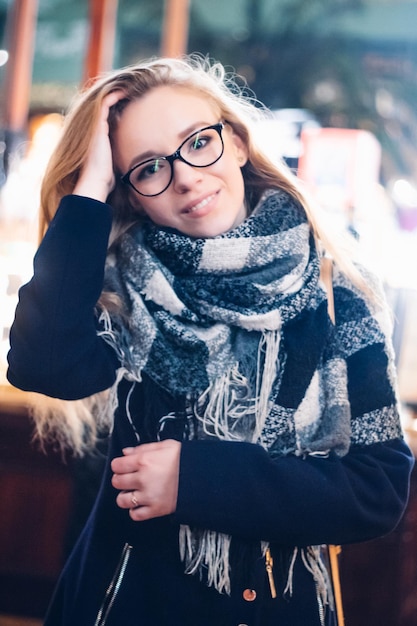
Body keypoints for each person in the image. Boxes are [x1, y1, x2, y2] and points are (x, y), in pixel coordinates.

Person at [7, 55, 413, 626]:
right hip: (124, 606)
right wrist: (92, 185)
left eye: (198, 143)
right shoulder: (124, 286)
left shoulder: (336, 295)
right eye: (148, 168)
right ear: (133, 195)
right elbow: (42, 365)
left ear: (239, 143)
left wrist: (195, 479)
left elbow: (379, 488)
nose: (187, 176)